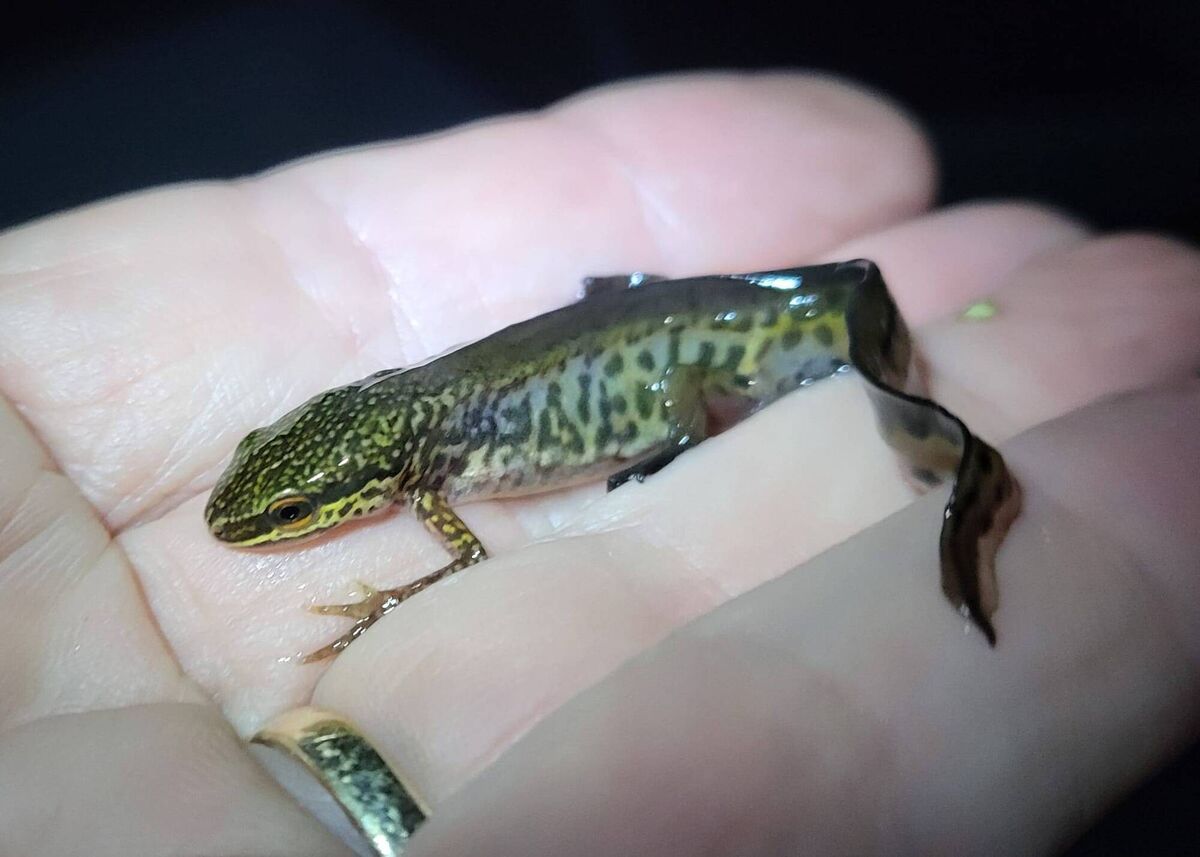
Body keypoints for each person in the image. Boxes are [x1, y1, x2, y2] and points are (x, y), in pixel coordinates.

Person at [0, 71, 1197, 856]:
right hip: (653, 345)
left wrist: (671, 434)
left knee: (697, 376)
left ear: (371, 481)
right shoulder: (403, 445)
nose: (284, 517)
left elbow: (456, 548)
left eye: (299, 504)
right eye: (289, 495)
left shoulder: (425, 467)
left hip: (733, 340)